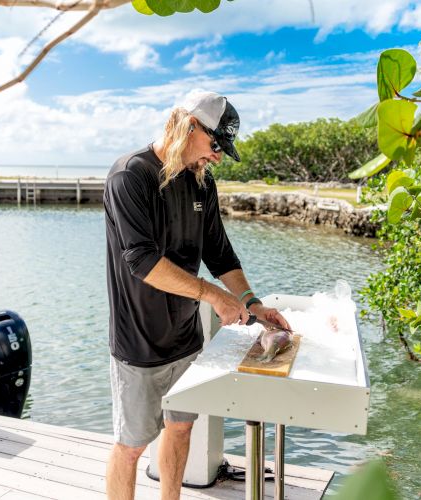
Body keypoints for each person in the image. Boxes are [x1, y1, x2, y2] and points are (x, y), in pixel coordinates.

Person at [104, 90, 291, 500]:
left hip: (186, 340)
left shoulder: (201, 184)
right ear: (189, 126)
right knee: (132, 446)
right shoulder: (129, 176)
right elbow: (143, 261)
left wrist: (251, 304)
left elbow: (219, 253)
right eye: (215, 145)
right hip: (138, 343)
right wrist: (213, 296)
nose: (218, 156)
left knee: (182, 427)